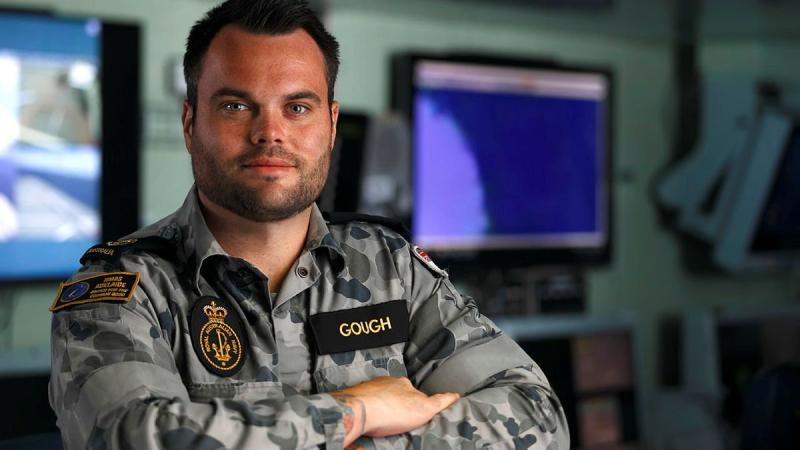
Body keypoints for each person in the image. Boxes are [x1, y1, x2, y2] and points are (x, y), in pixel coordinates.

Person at [48, 0, 570, 448]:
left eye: (297, 107)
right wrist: (354, 412)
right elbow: (135, 437)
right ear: (191, 124)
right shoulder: (122, 291)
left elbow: (537, 419)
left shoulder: (392, 269)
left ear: (331, 124)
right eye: (235, 106)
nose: (270, 133)